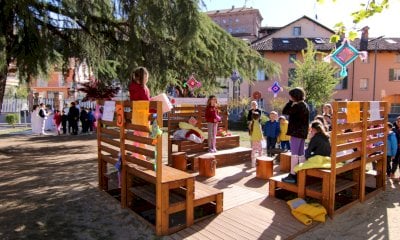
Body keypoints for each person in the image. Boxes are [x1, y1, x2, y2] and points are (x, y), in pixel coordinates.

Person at [281, 87, 310, 183]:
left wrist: (289, 102)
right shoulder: (305, 105)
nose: (289, 97)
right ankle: (301, 174)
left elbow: (285, 111)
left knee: (294, 154)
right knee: (301, 154)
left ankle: (292, 175)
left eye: (291, 95)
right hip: (302, 133)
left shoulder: (297, 106)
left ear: (294, 96)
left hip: (296, 133)